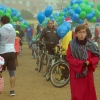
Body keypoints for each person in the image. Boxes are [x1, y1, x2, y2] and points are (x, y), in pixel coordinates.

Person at [66, 24, 100, 100]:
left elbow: (97, 56)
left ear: (86, 33)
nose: (82, 34)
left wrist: (90, 61)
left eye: (83, 32)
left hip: (88, 73)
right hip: (76, 73)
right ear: (76, 33)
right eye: (80, 32)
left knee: (89, 93)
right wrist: (80, 63)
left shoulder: (91, 44)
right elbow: (69, 58)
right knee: (77, 93)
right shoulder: (71, 44)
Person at [0, 16, 16, 96]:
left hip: (2, 52)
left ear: (2, 22)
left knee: (0, 71)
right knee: (12, 72)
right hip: (12, 51)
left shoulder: (1, 30)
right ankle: (12, 90)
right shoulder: (13, 30)